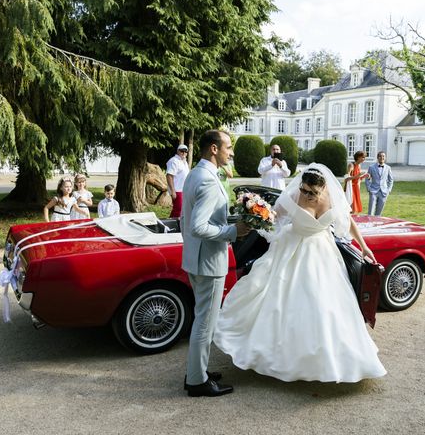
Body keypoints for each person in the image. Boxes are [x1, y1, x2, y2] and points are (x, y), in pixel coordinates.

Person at [214, 163, 387, 383]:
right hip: (291, 249)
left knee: (325, 304)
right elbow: (274, 217)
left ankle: (329, 359)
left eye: (312, 192)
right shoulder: (294, 197)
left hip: (322, 253)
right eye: (304, 190)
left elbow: (349, 219)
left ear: (323, 188)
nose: (306, 195)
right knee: (281, 301)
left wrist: (363, 246)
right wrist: (257, 211)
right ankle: (278, 353)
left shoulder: (334, 198)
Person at [181, 129, 250, 397]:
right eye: (228, 147)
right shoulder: (207, 180)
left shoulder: (196, 173)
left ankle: (198, 372)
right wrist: (232, 233)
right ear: (213, 148)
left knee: (203, 319)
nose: (231, 152)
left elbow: (195, 220)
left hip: (196, 258)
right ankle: (197, 382)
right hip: (208, 261)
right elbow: (198, 226)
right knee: (205, 323)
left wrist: (233, 221)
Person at [365, 151, 394, 216]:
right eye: (380, 156)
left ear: (385, 158)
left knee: (379, 212)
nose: (382, 157)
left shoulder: (388, 168)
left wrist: (388, 190)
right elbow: (367, 178)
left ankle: (376, 224)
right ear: (377, 157)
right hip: (373, 191)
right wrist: (369, 189)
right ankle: (369, 223)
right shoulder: (371, 167)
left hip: (383, 192)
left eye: (383, 156)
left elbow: (391, 180)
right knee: (371, 211)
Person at [166, 144, 190, 218]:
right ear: (178, 151)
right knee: (178, 209)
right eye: (182, 151)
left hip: (183, 189)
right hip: (177, 189)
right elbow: (169, 176)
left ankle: (176, 225)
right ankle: (171, 226)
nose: (183, 153)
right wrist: (173, 191)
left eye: (185, 151)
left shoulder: (184, 162)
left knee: (181, 210)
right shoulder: (174, 161)